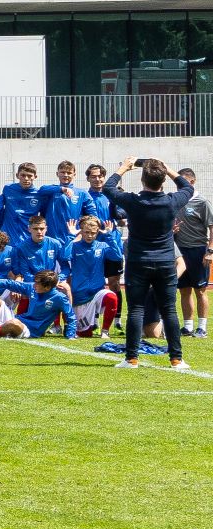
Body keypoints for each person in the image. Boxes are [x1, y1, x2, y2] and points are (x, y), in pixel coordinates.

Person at [104, 157, 191, 370]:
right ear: (162, 181)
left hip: (138, 262)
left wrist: (124, 167)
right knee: (169, 310)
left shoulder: (133, 201)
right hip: (165, 262)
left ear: (142, 179)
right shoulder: (172, 201)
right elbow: (187, 186)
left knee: (136, 310)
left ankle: (131, 359)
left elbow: (108, 187)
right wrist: (167, 168)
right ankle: (176, 359)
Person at [64, 214, 124, 338]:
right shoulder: (75, 247)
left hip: (97, 293)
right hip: (79, 297)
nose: (90, 235)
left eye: (93, 232)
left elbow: (117, 256)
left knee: (112, 297)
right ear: (81, 231)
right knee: (85, 334)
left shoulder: (102, 246)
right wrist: (71, 234)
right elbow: (64, 256)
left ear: (97, 232)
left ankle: (105, 331)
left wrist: (108, 235)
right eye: (86, 232)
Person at [176, 168, 209, 338]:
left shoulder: (202, 202)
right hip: (180, 252)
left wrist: (210, 251)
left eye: (182, 182)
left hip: (198, 250)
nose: (179, 186)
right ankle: (187, 326)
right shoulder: (176, 200)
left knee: (200, 289)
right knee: (184, 290)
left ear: (192, 182)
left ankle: (202, 326)